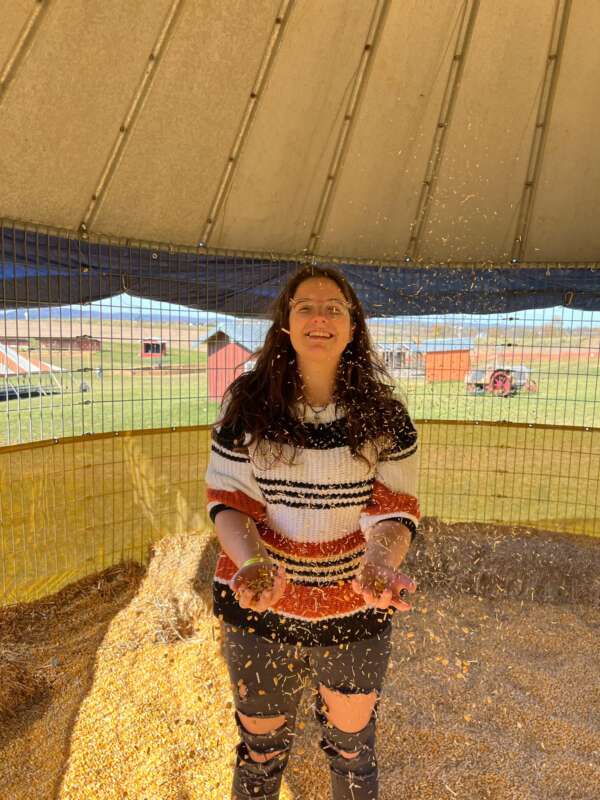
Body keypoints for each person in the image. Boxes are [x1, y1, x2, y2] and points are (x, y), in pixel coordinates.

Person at [206, 266, 420, 800]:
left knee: (352, 750)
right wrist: (253, 563)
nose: (319, 317)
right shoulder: (246, 407)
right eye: (305, 307)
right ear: (286, 324)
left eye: (333, 308)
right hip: (258, 606)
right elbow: (228, 504)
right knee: (261, 751)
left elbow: (395, 513)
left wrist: (380, 563)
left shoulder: (386, 416)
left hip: (354, 603)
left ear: (352, 327)